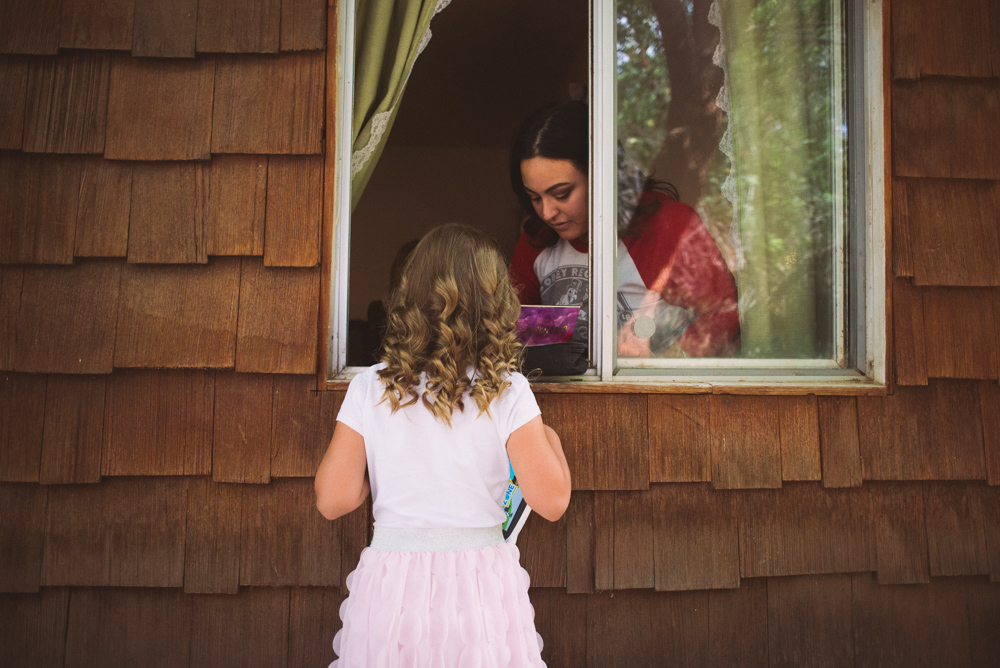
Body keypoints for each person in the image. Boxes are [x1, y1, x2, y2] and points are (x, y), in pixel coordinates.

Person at [315, 224, 571, 667]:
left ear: (407, 299)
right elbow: (551, 501)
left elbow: (333, 500)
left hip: (392, 587)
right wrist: (552, 440)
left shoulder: (369, 388)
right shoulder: (507, 390)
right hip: (481, 586)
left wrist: (372, 476)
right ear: (494, 306)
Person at [508, 100, 740, 358]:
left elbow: (725, 314)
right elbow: (509, 325)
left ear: (604, 177)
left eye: (561, 194)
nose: (547, 213)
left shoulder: (670, 226)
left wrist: (667, 360)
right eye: (535, 197)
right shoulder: (538, 238)